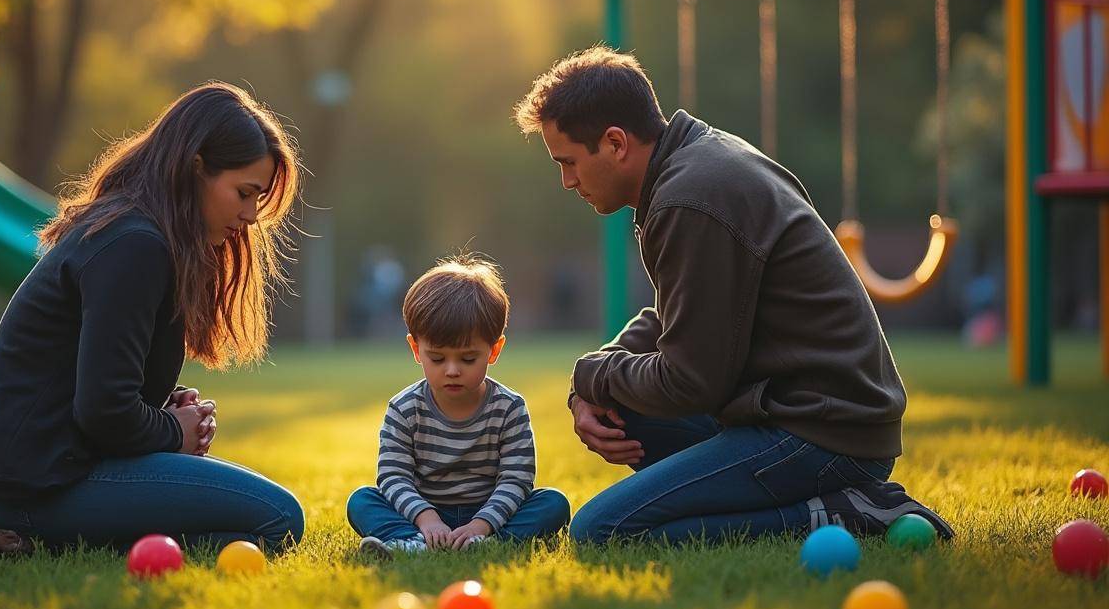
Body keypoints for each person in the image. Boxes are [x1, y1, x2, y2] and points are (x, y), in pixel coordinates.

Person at [513, 47, 953, 545]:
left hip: (825, 433)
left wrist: (594, 374)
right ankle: (810, 500)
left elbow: (688, 382)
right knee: (623, 410)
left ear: (615, 143)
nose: (567, 181)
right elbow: (676, 315)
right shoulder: (691, 163)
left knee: (602, 530)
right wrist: (589, 384)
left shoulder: (690, 197)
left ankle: (844, 510)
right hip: (798, 412)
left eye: (569, 162)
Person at [0, 82, 306, 553]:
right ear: (195, 168)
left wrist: (163, 408)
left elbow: (94, 385)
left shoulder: (139, 234)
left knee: (260, 526)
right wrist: (173, 431)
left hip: (33, 479)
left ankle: (27, 543)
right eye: (244, 193)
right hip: (30, 490)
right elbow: (104, 413)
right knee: (280, 518)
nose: (251, 215)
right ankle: (32, 538)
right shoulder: (135, 245)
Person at [346, 255, 571, 557]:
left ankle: (488, 543)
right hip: (422, 513)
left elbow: (516, 479)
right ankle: (413, 541)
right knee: (362, 501)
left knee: (553, 504)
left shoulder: (509, 408)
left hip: (490, 513)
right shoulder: (404, 409)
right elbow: (394, 476)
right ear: (416, 349)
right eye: (437, 358)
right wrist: (427, 519)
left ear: (494, 350)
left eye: (468, 359)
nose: (452, 370)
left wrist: (481, 524)